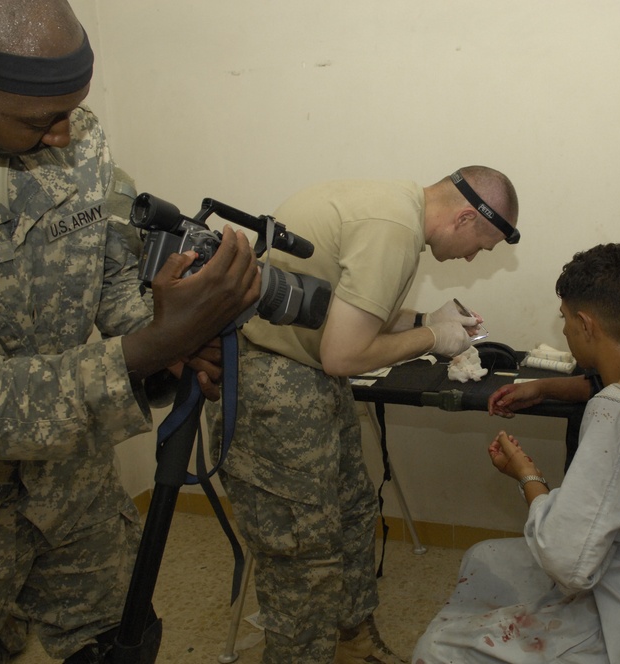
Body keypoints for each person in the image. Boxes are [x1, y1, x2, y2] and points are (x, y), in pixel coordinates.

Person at [0, 0, 262, 661]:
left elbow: (108, 279)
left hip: (74, 495)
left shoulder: (78, 142)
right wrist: (148, 348)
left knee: (124, 642)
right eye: (41, 121)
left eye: (74, 111)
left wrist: (172, 341)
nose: (68, 136)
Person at [209, 166, 520, 664]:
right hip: (276, 386)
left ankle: (352, 642)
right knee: (303, 555)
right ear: (465, 217)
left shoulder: (393, 207)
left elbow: (347, 308)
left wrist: (423, 319)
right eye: (480, 246)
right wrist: (434, 339)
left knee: (353, 511)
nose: (472, 257)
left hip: (306, 380)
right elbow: (343, 355)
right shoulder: (394, 228)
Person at [412, 243, 620, 663]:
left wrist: (528, 476)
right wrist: (544, 387)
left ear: (585, 324)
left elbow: (568, 564)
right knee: (482, 554)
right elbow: (611, 387)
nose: (563, 330)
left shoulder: (618, 416)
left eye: (564, 320)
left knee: (436, 649)